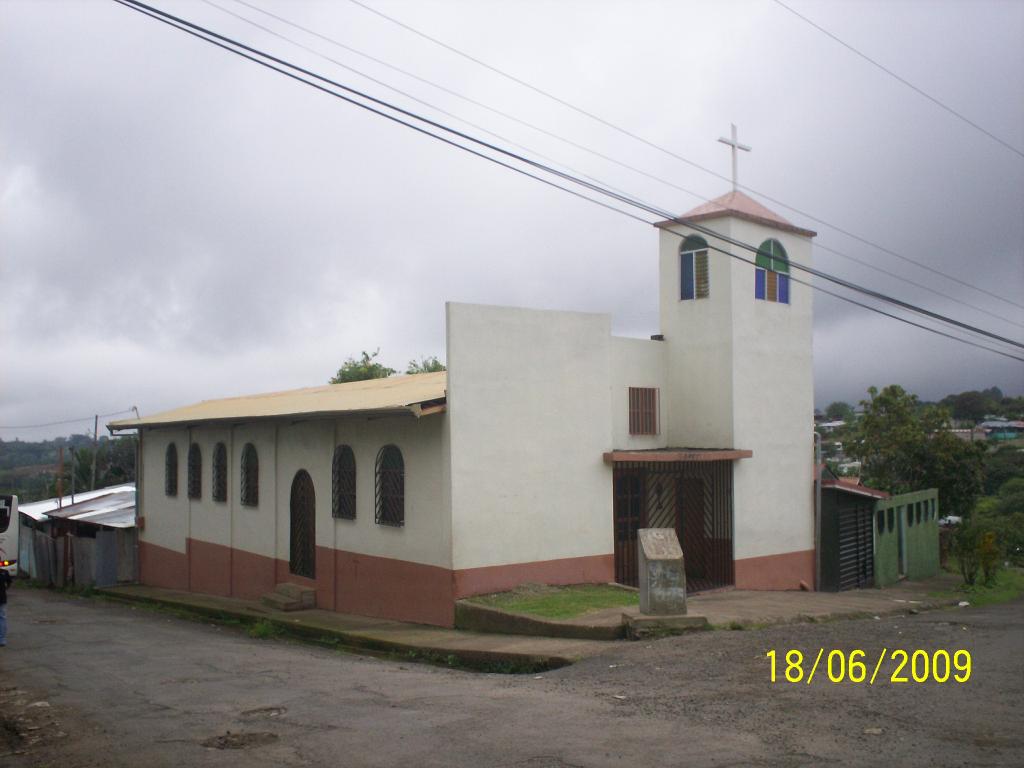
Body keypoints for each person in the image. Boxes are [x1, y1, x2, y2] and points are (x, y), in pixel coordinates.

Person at [0, 567, 11, 646]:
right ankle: (2, 640)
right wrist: (4, 589)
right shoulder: (4, 572)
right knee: (2, 618)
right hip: (2, 598)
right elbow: (9, 583)